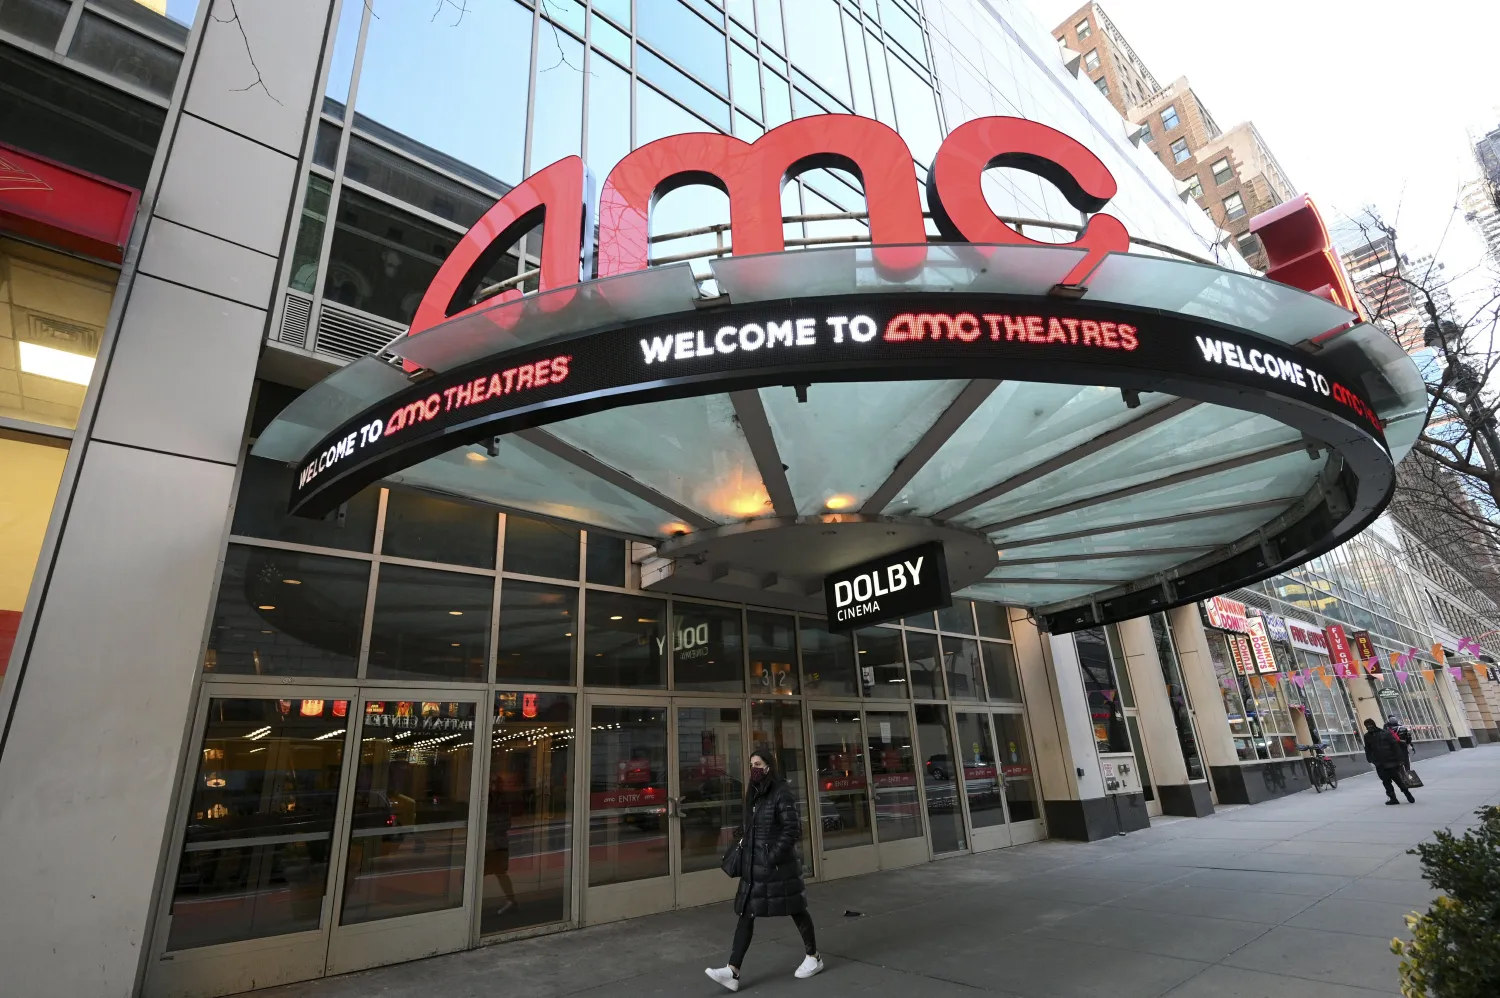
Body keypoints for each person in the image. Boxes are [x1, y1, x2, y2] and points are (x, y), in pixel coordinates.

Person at [705, 748, 822, 991]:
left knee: (796, 909)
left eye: (758, 763)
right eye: (751, 764)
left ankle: (814, 957)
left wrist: (771, 856)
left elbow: (792, 829)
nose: (754, 768)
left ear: (769, 766)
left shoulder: (781, 792)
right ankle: (732, 971)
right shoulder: (755, 793)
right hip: (754, 865)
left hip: (778, 866)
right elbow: (756, 825)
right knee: (747, 912)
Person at [1363, 717, 1415, 804]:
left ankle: (1403, 795)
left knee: (1394, 780)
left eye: (1369, 725)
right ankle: (1398, 796)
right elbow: (1368, 749)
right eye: (1367, 726)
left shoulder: (1382, 734)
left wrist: (1400, 760)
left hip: (1388, 762)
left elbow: (1395, 747)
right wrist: (1371, 760)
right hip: (1383, 763)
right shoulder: (1370, 736)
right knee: (1389, 781)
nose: (1368, 727)